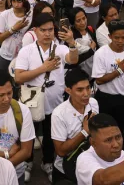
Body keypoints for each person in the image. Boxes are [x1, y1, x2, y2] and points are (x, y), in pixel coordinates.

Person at [14, 13, 79, 181]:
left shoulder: (60, 47)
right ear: (35, 31)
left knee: (52, 135)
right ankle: (27, 161)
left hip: (55, 101)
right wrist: (44, 68)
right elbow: (18, 77)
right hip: (32, 102)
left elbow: (73, 59)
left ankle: (47, 161)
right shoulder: (26, 51)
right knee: (29, 133)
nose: (47, 33)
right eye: (43, 30)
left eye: (51, 30)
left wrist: (72, 43)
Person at [51, 68, 99, 183]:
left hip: (89, 167)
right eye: (80, 90)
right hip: (66, 171)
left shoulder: (93, 103)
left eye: (88, 88)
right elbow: (61, 151)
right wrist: (85, 132)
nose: (86, 94)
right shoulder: (59, 114)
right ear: (68, 90)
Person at [92, 19, 124, 136]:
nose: (120, 41)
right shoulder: (101, 53)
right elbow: (99, 80)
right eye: (116, 37)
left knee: (121, 131)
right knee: (103, 132)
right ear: (110, 36)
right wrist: (119, 70)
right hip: (105, 99)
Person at [0, 0, 31, 70]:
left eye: (19, 1)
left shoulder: (30, 14)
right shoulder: (5, 14)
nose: (16, 5)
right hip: (6, 55)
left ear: (25, 0)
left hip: (23, 55)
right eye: (14, 1)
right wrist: (14, 29)